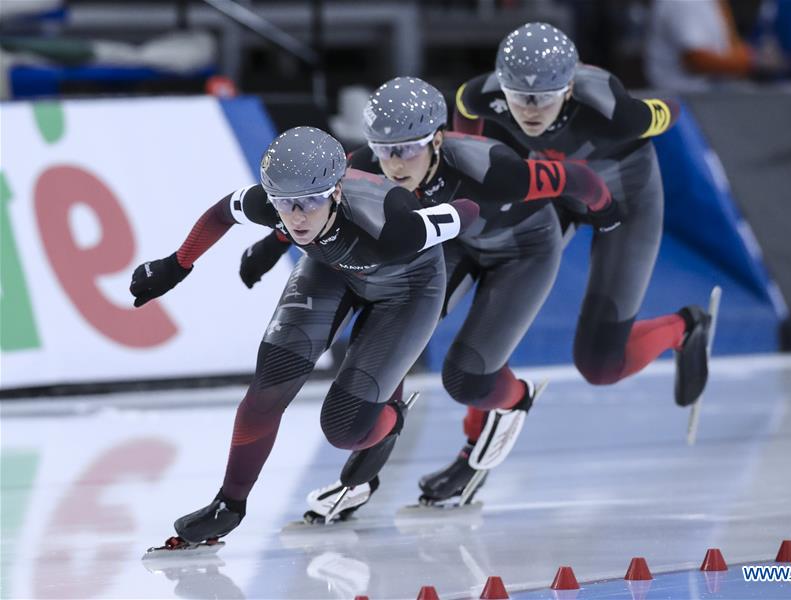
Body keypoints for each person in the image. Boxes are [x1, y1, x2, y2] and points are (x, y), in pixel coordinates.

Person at [240, 77, 620, 510]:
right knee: (391, 335)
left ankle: (515, 401)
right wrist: (271, 245)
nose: (392, 164)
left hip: (523, 252)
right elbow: (308, 200)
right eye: (382, 149)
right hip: (456, 243)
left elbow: (577, 178)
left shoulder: (491, 168)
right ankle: (366, 474)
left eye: (406, 149)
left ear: (438, 140)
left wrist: (607, 215)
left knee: (468, 377)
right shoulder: (367, 161)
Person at [132, 126, 478, 549]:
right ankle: (229, 505)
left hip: (407, 291)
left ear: (335, 192)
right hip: (331, 273)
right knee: (267, 387)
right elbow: (222, 212)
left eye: (311, 201)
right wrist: (176, 265)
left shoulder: (392, 220)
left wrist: (465, 206)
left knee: (344, 429)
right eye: (284, 204)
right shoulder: (275, 204)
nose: (296, 217)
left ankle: (389, 421)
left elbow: (468, 210)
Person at [452, 22, 715, 455]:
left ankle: (684, 328)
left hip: (627, 204)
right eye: (519, 97)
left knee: (600, 365)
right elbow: (466, 110)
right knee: (494, 299)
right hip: (558, 188)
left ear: (570, 89)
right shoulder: (486, 93)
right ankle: (480, 426)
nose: (531, 111)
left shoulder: (614, 110)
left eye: (543, 98)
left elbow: (672, 109)